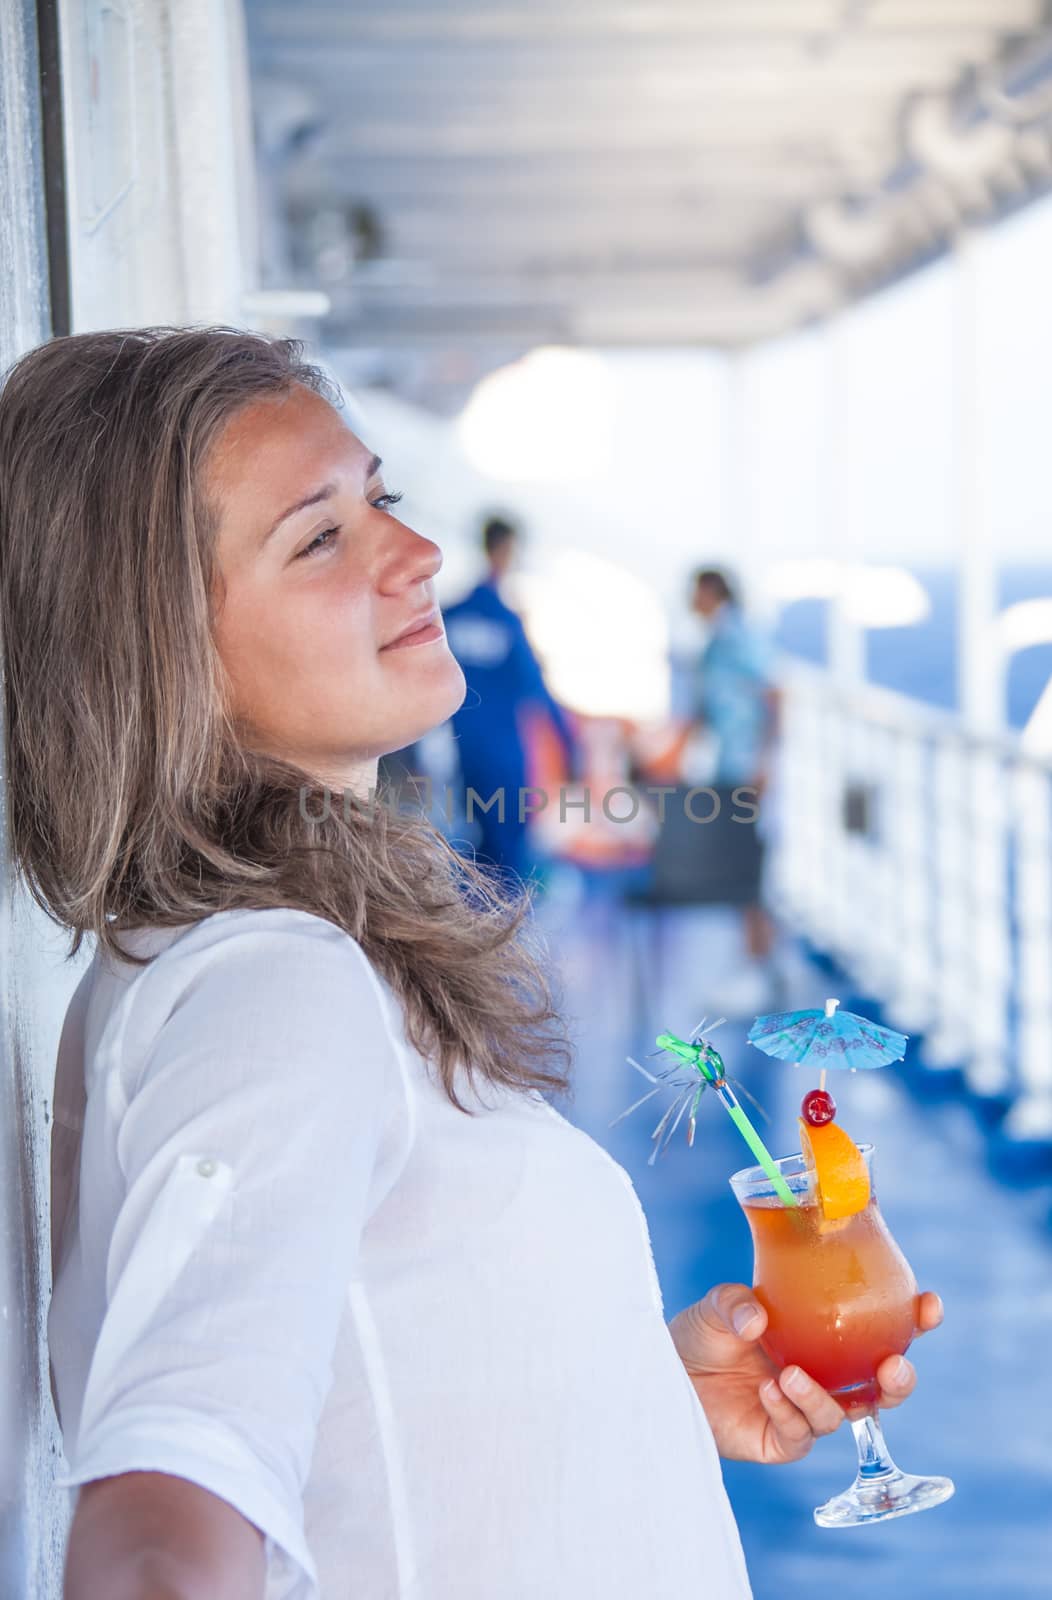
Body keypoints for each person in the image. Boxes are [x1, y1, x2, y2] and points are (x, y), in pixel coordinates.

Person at [0, 328, 943, 1600]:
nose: (417, 552)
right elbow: (158, 1538)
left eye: (377, 496)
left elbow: (368, 1393)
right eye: (318, 537)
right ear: (163, 648)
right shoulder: (276, 989)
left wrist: (634, 1396)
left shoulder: (236, 965)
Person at [442, 515, 579, 887]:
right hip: (505, 755)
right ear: (505, 549)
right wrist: (571, 746)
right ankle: (504, 941)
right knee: (510, 861)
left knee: (477, 852)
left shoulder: (449, 615)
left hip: (464, 754)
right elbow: (536, 688)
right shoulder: (506, 619)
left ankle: (472, 937)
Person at [687, 566, 782, 1008]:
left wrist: (766, 762)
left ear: (711, 591)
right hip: (729, 768)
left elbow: (774, 694)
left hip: (746, 770)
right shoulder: (714, 643)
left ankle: (758, 971)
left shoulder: (738, 638)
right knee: (741, 867)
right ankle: (760, 965)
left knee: (747, 869)